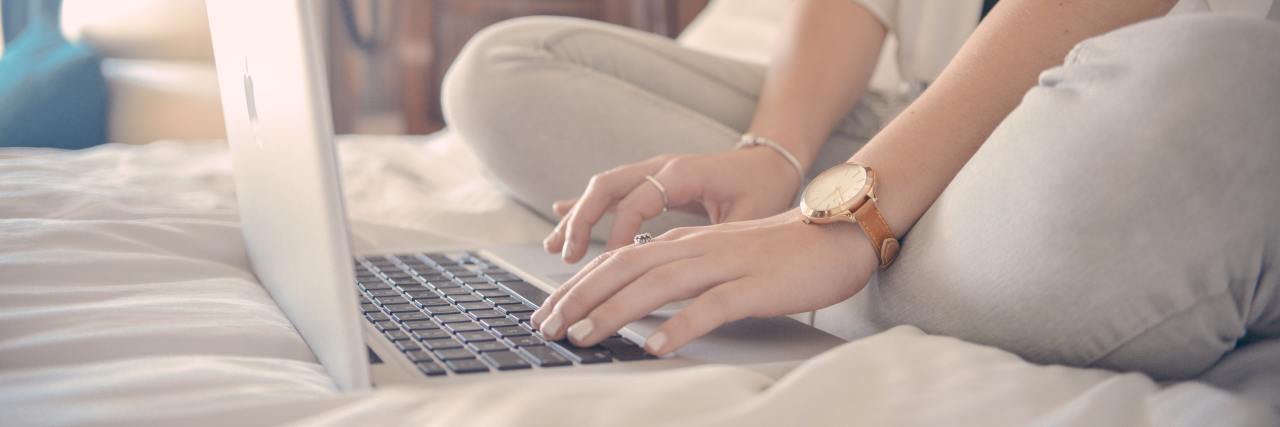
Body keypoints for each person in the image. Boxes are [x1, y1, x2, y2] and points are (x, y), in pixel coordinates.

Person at [442, 0, 1280, 388]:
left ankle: (821, 254)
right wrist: (776, 151)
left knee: (1230, 85)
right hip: (927, 108)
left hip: (1117, 115)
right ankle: (839, 249)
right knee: (508, 70)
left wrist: (841, 224)